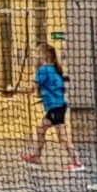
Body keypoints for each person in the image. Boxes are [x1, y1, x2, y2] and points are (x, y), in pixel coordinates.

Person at [23, 33, 82, 172]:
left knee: (62, 136)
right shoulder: (54, 69)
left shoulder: (43, 70)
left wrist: (18, 91)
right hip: (57, 106)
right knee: (41, 130)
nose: (35, 58)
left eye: (37, 55)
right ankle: (36, 157)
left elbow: (32, 89)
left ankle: (77, 162)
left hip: (55, 107)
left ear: (43, 56)